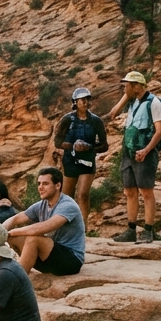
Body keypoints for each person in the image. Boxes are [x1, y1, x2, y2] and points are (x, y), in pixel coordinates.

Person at [106, 71, 161, 243]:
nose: (124, 88)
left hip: (145, 154)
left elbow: (160, 131)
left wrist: (146, 150)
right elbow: (113, 113)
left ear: (137, 85)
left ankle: (148, 230)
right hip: (129, 153)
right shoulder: (132, 102)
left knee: (146, 192)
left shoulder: (154, 103)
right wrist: (127, 95)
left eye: (127, 85)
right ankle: (131, 230)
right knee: (130, 191)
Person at [3, 167, 86, 276]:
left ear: (57, 185)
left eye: (45, 184)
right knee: (12, 238)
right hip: (51, 258)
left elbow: (45, 227)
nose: (40, 187)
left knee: (33, 239)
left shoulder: (68, 205)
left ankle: (16, 280)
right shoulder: (43, 204)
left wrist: (13, 232)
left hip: (71, 261)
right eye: (39, 183)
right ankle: (18, 267)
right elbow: (16, 218)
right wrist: (1, 230)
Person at [54, 87, 109, 225]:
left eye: (86, 100)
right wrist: (73, 146)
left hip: (88, 161)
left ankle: (83, 227)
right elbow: (57, 142)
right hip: (70, 160)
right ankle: (64, 225)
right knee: (67, 197)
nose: (85, 102)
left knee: (83, 195)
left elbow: (104, 145)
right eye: (81, 100)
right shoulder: (67, 120)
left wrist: (89, 147)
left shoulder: (96, 121)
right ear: (75, 102)